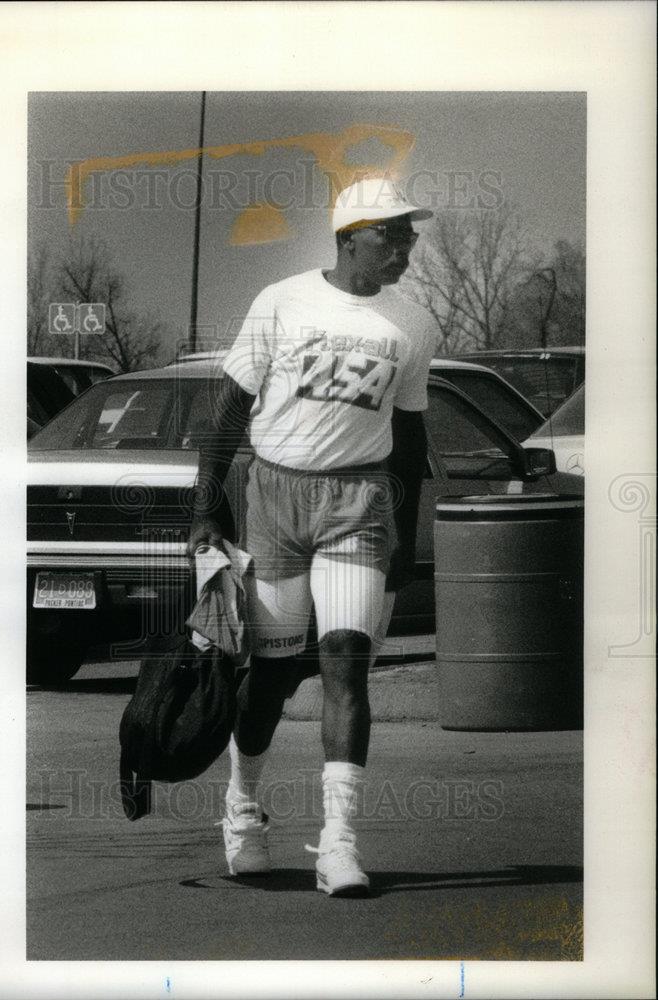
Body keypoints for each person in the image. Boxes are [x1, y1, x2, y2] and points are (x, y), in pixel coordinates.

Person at [187, 176, 435, 897]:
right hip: (274, 497)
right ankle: (242, 809)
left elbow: (410, 435)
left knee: (346, 663)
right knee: (269, 675)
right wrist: (205, 508)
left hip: (359, 499)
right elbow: (231, 408)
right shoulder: (282, 300)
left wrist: (405, 541)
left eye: (409, 234)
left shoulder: (414, 323)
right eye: (393, 233)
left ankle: (339, 846)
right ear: (351, 234)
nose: (406, 246)